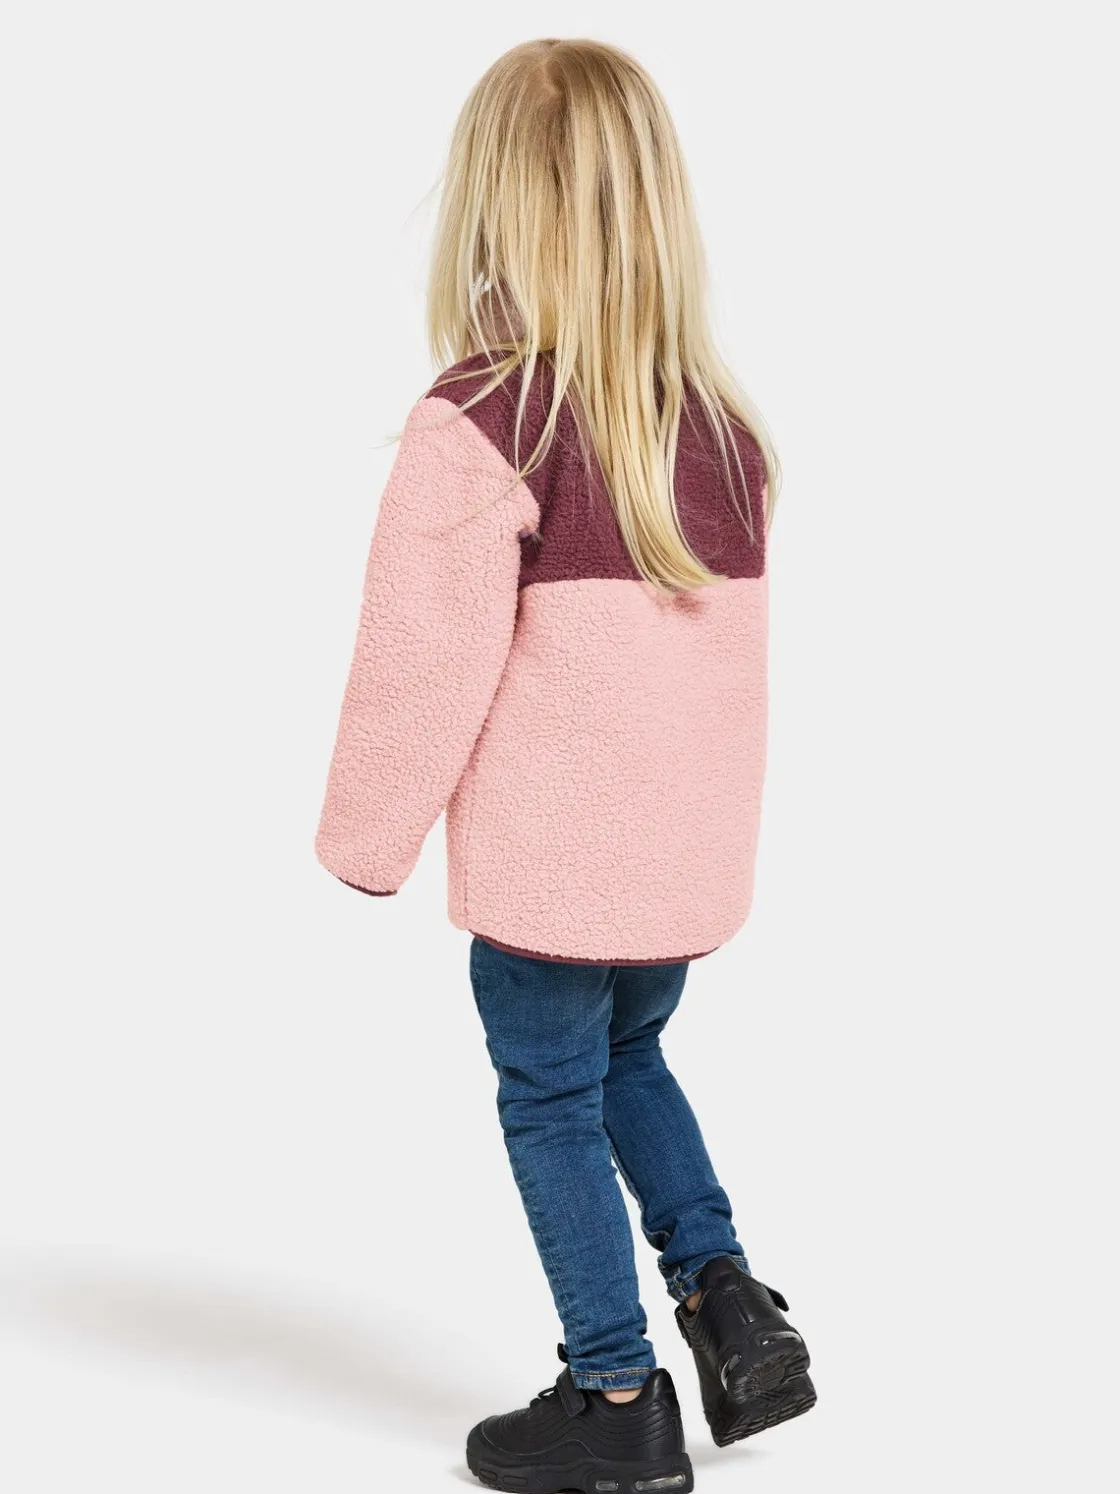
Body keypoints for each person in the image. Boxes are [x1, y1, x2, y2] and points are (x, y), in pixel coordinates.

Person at [315, 37, 815, 1494]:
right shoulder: (720, 429)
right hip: (674, 863)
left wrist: (366, 836)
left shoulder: (485, 423)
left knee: (547, 1095)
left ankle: (615, 1393)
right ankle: (730, 1303)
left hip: (551, 870)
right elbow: (723, 677)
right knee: (630, 1055)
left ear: (493, 209)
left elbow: (418, 669)